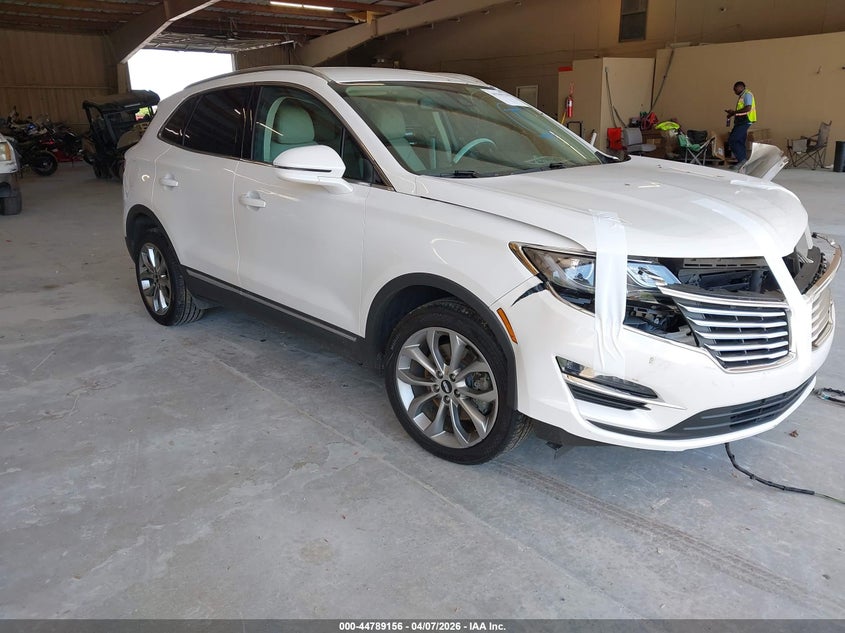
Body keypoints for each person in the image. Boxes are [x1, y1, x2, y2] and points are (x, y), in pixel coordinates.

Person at [724, 81, 756, 170]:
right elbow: (741, 110)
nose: (734, 91)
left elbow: (748, 108)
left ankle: (742, 160)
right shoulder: (742, 96)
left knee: (733, 140)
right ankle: (742, 162)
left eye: (735, 89)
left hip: (745, 121)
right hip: (741, 121)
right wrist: (732, 114)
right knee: (740, 141)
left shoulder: (747, 95)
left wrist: (734, 112)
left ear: (740, 87)